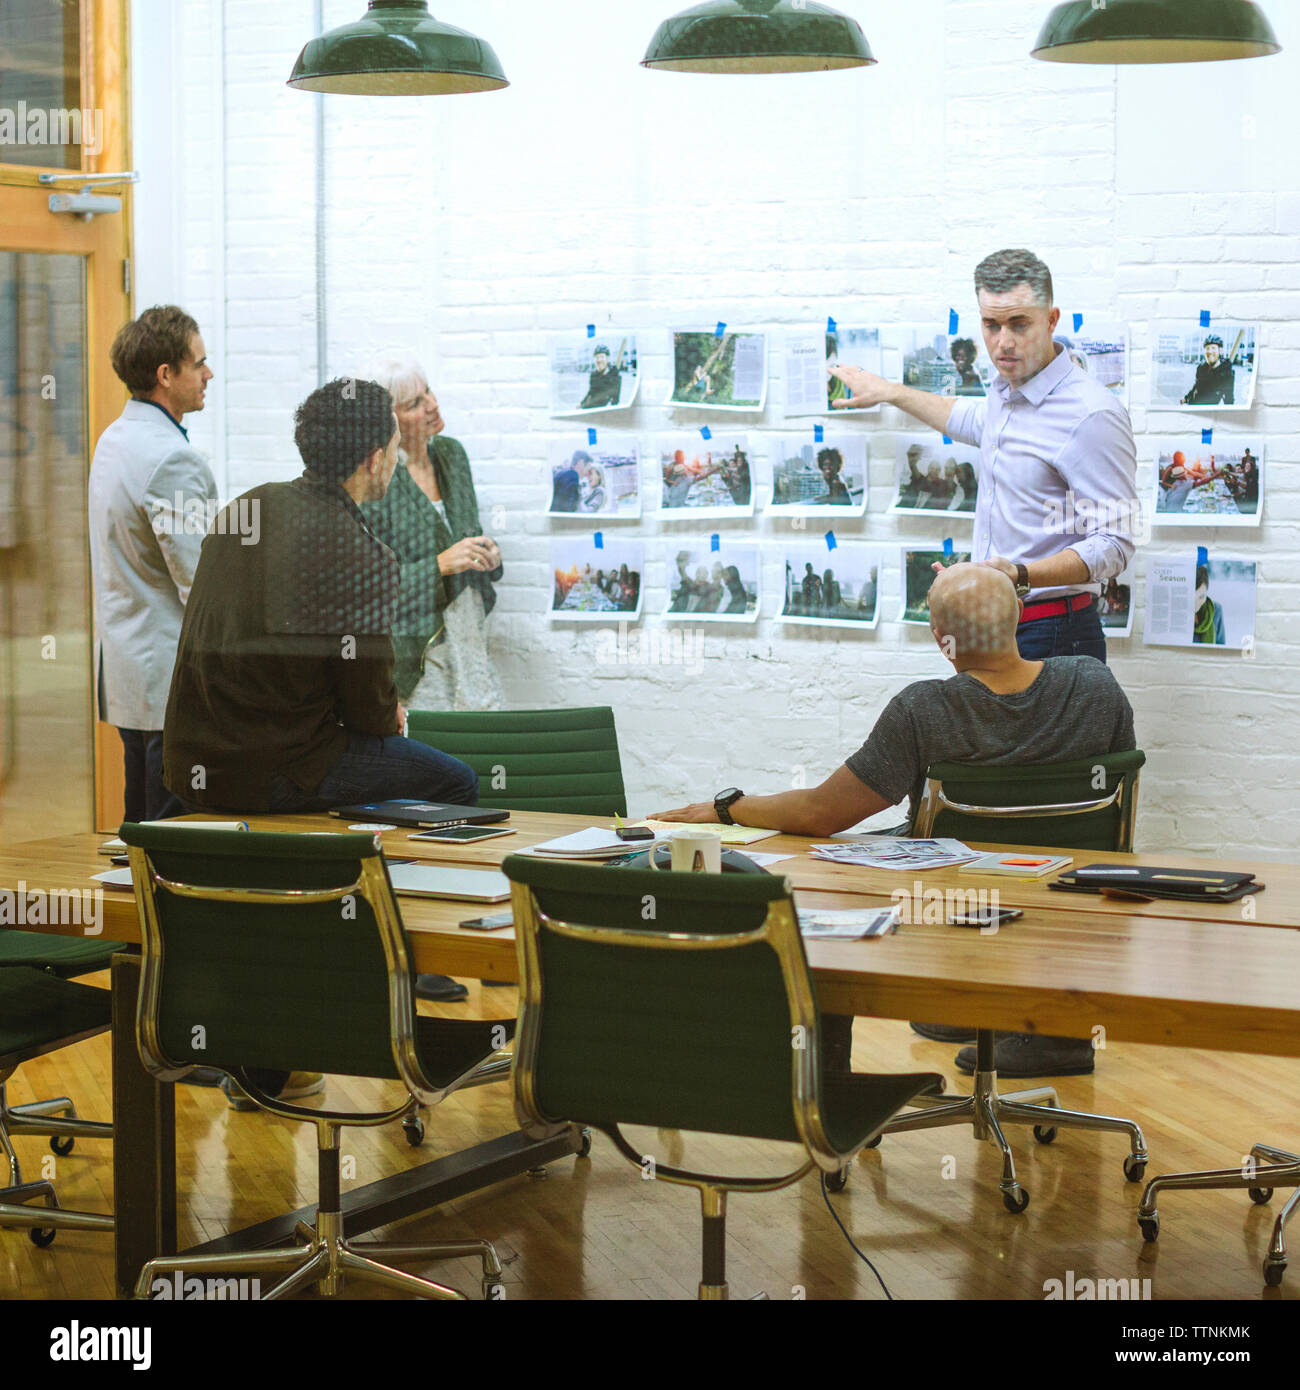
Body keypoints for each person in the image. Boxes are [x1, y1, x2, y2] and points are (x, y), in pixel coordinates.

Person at [652, 563, 1136, 1079]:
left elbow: (822, 813)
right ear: (1019, 614)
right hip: (1068, 893)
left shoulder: (926, 709)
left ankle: (834, 1099)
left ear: (940, 639)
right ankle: (999, 1013)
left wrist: (729, 807)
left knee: (817, 878)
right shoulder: (1094, 685)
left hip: (951, 897)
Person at [163, 378, 480, 1014]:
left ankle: (328, 944)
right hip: (272, 771)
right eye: (393, 445)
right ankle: (396, 960)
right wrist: (384, 707)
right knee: (454, 785)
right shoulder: (361, 553)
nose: (394, 456)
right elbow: (370, 714)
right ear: (373, 459)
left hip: (192, 759)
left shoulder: (248, 508)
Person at [832, 247, 1138, 664]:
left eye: (1018, 324)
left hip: (1054, 632)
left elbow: (1115, 543)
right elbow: (973, 421)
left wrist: (1020, 574)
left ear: (1051, 320)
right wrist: (891, 393)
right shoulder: (1006, 390)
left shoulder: (1091, 414)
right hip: (994, 623)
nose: (1003, 342)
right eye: (991, 325)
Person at [89, 306, 217, 824]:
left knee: (139, 834)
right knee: (174, 841)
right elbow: (201, 583)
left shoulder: (113, 439)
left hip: (129, 671)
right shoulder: (172, 457)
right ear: (166, 375)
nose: (210, 374)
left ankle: (137, 908)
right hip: (170, 678)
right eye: (200, 363)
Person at [362, 353, 505, 722]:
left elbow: (466, 539)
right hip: (418, 656)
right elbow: (370, 590)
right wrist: (440, 565)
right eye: (415, 403)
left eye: (429, 392)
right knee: (438, 759)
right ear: (388, 420)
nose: (433, 405)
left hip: (469, 639)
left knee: (485, 750)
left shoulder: (452, 455)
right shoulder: (378, 482)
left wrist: (488, 555)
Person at [1182, 334, 1235, 406]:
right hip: (1193, 405)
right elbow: (1196, 386)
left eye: (1213, 348)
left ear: (1220, 350)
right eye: (1207, 348)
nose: (1210, 351)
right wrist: (1186, 398)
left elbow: (1229, 399)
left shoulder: (1226, 373)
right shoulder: (1201, 368)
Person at [579, 344, 621, 410]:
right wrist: (582, 404)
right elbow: (591, 392)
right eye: (597, 357)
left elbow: (615, 400)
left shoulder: (614, 376)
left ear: (608, 358)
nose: (599, 360)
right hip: (591, 408)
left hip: (603, 411)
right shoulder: (593, 375)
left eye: (602, 357)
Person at [1193, 565, 1226, 645]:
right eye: (1192, 598)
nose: (1196, 604)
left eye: (1201, 597)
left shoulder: (1215, 610)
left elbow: (1221, 648)